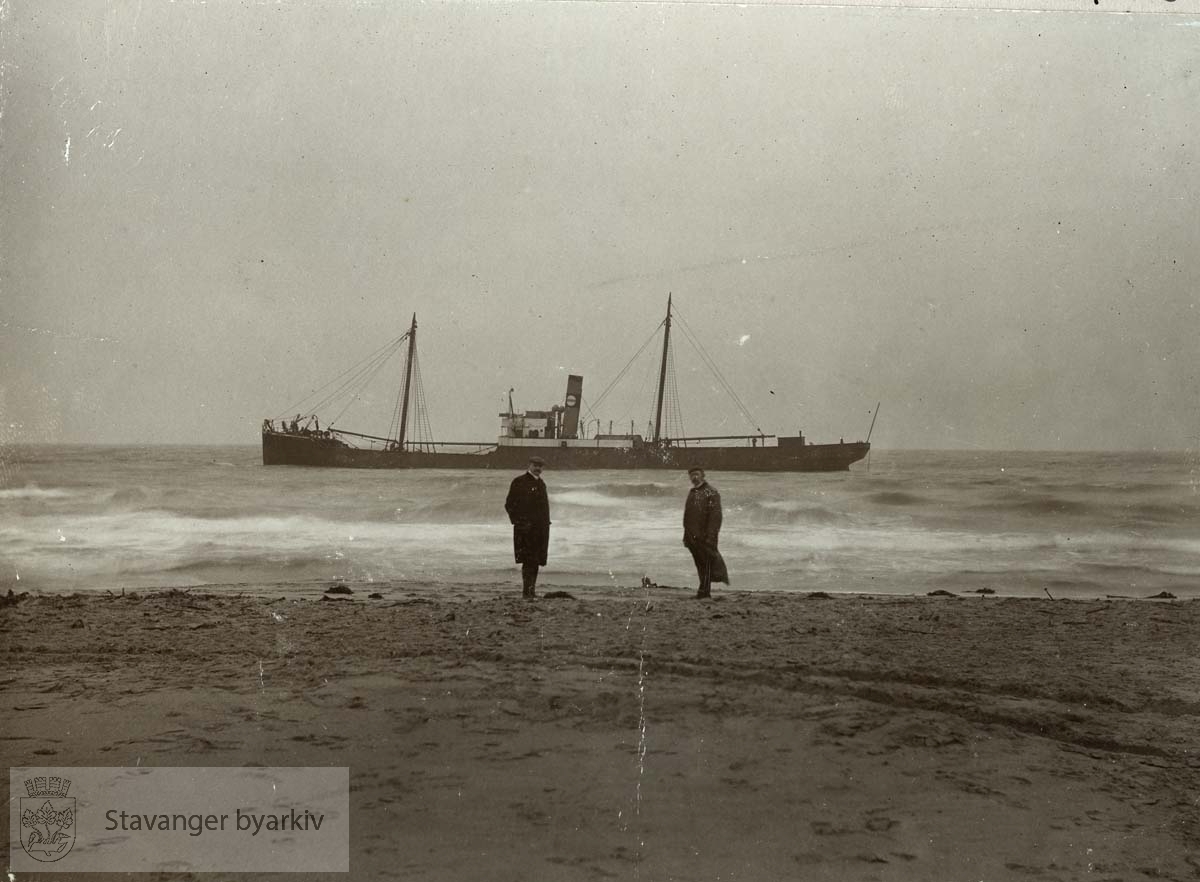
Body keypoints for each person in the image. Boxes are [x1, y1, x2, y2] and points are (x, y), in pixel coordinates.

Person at [505, 456, 551, 599]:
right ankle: (527, 592)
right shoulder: (519, 482)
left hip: (541, 529)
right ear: (529, 465)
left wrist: (546, 523)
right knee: (528, 561)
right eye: (535, 465)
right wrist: (519, 522)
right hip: (525, 529)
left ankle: (531, 591)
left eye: (540, 466)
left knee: (536, 561)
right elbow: (509, 504)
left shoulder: (542, 484)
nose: (538, 468)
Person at [682, 466, 729, 599]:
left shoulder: (711, 492)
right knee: (700, 564)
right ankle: (703, 590)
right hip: (692, 536)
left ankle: (704, 592)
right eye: (691, 475)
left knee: (707, 563)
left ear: (703, 475)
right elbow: (688, 516)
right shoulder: (692, 492)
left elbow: (716, 516)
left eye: (697, 474)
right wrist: (686, 536)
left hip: (705, 536)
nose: (694, 477)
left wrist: (711, 536)